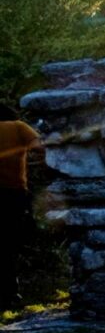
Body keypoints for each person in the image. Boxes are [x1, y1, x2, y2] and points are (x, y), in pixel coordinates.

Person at [0, 103, 40, 309]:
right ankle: (10, 293)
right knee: (9, 244)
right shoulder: (18, 127)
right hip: (13, 194)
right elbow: (39, 147)